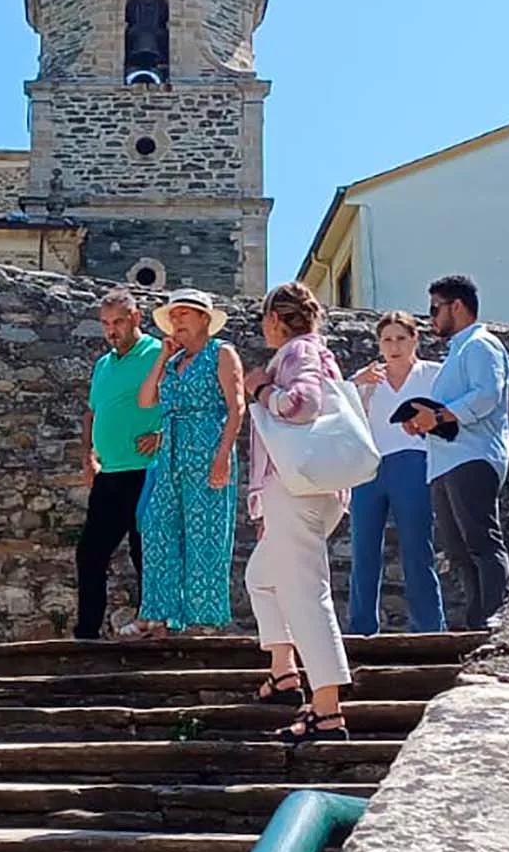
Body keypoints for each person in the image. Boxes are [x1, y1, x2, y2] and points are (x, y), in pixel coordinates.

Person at [242, 282, 352, 743]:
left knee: (306, 592)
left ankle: (326, 710)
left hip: (297, 491)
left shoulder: (297, 354)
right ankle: (285, 671)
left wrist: (263, 389)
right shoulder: (315, 351)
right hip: (307, 490)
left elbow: (301, 404)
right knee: (261, 577)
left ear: (276, 320)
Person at [125, 289, 245, 638]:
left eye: (184, 314)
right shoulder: (175, 363)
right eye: (173, 316)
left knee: (205, 534)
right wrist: (162, 358)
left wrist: (222, 457)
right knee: (158, 529)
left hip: (207, 450)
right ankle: (159, 616)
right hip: (170, 454)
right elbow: (146, 400)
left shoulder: (221, 353)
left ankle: (202, 621)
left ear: (204, 319)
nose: (176, 321)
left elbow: (236, 408)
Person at [403, 274, 509, 631]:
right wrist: (423, 421)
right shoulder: (459, 352)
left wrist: (437, 415)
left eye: (435, 309)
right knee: (459, 551)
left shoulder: (481, 345)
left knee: (480, 540)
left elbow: (486, 395)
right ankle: (477, 620)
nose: (431, 317)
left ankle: (495, 618)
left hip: (474, 455)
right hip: (448, 459)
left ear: (458, 307)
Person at [347, 311, 447, 635]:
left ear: (415, 339)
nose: (394, 346)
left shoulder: (433, 374)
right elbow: (341, 414)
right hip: (370, 467)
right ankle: (361, 628)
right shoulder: (367, 380)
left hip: (413, 461)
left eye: (401, 338)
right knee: (363, 550)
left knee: (418, 546)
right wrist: (356, 385)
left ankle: (429, 628)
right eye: (387, 339)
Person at [74, 289, 164, 640]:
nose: (112, 330)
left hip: (148, 470)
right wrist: (87, 455)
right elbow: (92, 412)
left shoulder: (159, 353)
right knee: (90, 553)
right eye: (106, 324)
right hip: (109, 473)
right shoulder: (103, 365)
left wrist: (162, 435)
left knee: (145, 551)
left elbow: (182, 402)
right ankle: (87, 632)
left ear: (136, 318)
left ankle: (155, 628)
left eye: (119, 322)